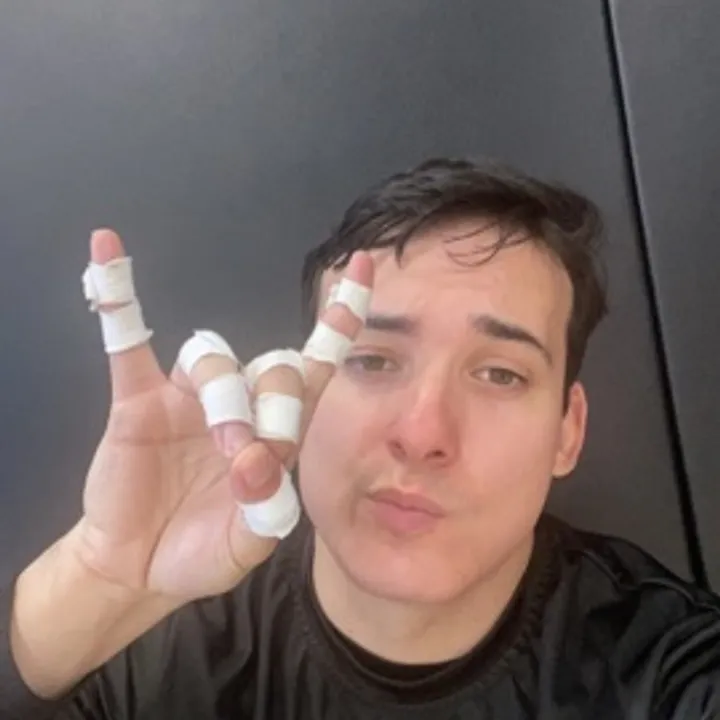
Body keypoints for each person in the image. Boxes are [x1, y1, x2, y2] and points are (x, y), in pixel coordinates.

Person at [2, 157, 719, 720]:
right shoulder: (157, 638)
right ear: (299, 394)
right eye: (371, 360)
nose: (422, 434)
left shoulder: (667, 669)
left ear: (568, 432)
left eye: (500, 374)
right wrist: (100, 580)